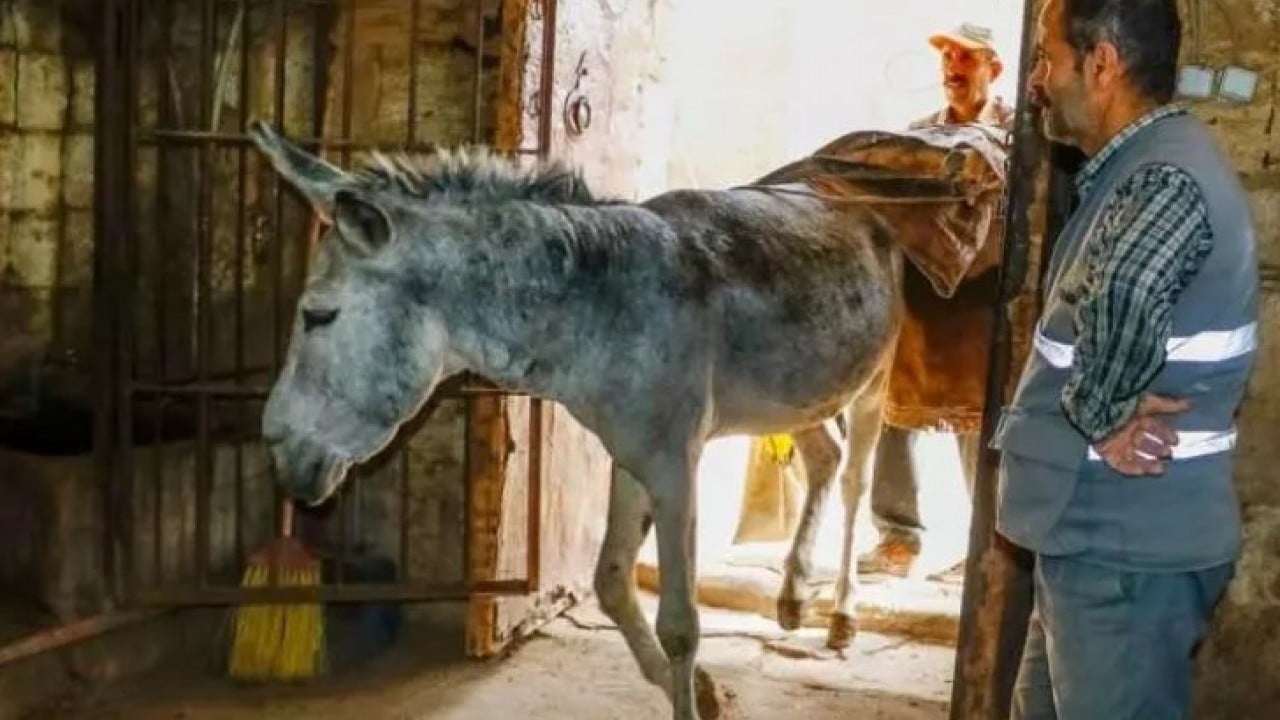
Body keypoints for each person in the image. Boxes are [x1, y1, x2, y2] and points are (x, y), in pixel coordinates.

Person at [994, 1, 1258, 717]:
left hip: (1125, 555)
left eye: (1048, 58)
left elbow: (1133, 284)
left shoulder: (1162, 178)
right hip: (1093, 540)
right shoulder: (1140, 167)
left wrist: (1103, 406)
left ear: (1102, 63)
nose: (1039, 81)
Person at [858, 22, 1013, 580]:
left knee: (980, 421)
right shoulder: (919, 136)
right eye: (946, 56)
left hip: (981, 301)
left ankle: (985, 548)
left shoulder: (1018, 136)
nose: (952, 65)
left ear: (993, 69)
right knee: (897, 412)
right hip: (921, 296)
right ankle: (897, 537)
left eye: (965, 57)